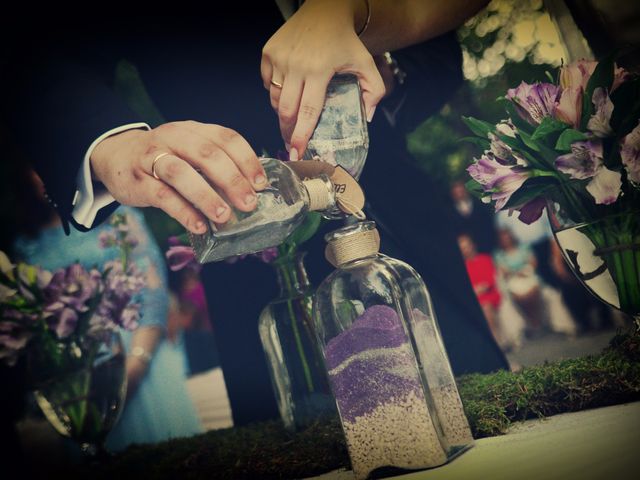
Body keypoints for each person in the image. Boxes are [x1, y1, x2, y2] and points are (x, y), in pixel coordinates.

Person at [2, 0, 507, 427]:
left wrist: (360, 25)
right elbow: (37, 52)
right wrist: (116, 144)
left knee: (491, 424)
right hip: (246, 248)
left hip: (403, 228)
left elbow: (439, 55)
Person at [12, 169, 202, 452]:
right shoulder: (26, 245)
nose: (43, 176)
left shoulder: (114, 214)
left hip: (142, 356)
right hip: (79, 379)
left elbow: (152, 291)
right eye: (34, 169)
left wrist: (135, 366)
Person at [494, 228, 577, 339]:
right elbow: (503, 271)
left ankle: (537, 323)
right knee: (518, 295)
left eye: (507, 237)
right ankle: (535, 324)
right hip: (513, 281)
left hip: (529, 276)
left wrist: (524, 270)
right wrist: (516, 272)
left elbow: (533, 262)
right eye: (503, 238)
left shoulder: (524, 248)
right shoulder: (499, 255)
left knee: (536, 291)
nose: (506, 240)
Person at [457, 233, 502, 344]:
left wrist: (478, 289)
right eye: (462, 248)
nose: (465, 250)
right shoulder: (461, 267)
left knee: (486, 307)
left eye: (466, 246)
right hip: (474, 299)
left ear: (472, 245)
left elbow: (490, 281)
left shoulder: (485, 259)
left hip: (489, 295)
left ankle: (496, 341)